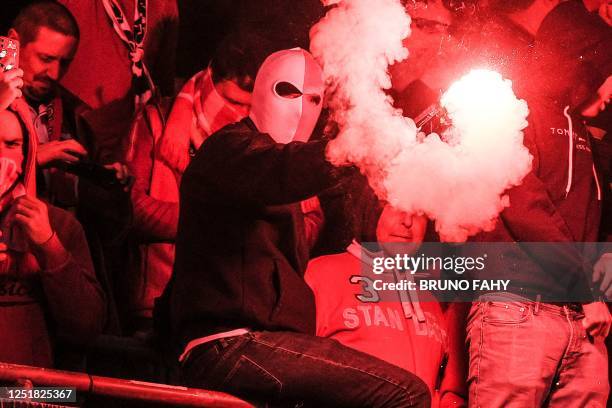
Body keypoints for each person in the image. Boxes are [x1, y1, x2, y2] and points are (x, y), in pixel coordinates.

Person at [162, 48, 431, 407]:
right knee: (406, 394)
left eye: (314, 98)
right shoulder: (230, 150)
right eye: (287, 91)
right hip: (232, 342)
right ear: (260, 91)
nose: (301, 106)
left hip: (253, 345)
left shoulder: (278, 175)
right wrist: (353, 148)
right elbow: (280, 169)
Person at [465, 1, 612, 406]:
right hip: (519, 304)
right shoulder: (513, 110)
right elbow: (524, 205)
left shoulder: (586, 136)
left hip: (585, 318)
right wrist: (586, 288)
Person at [127, 31, 323, 331]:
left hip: (250, 308)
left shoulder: (276, 148)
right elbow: (134, 208)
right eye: (231, 101)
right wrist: (216, 220)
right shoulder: (160, 122)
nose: (241, 115)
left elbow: (310, 214)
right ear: (211, 81)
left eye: (251, 104)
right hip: (159, 296)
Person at [305, 194, 468, 407]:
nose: (407, 222)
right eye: (396, 206)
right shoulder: (319, 274)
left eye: (419, 213)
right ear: (370, 208)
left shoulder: (431, 298)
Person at [0, 101, 105, 368]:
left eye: (11, 145)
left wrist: (50, 246)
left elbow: (87, 327)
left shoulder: (58, 224)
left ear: (28, 154)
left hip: (36, 392)